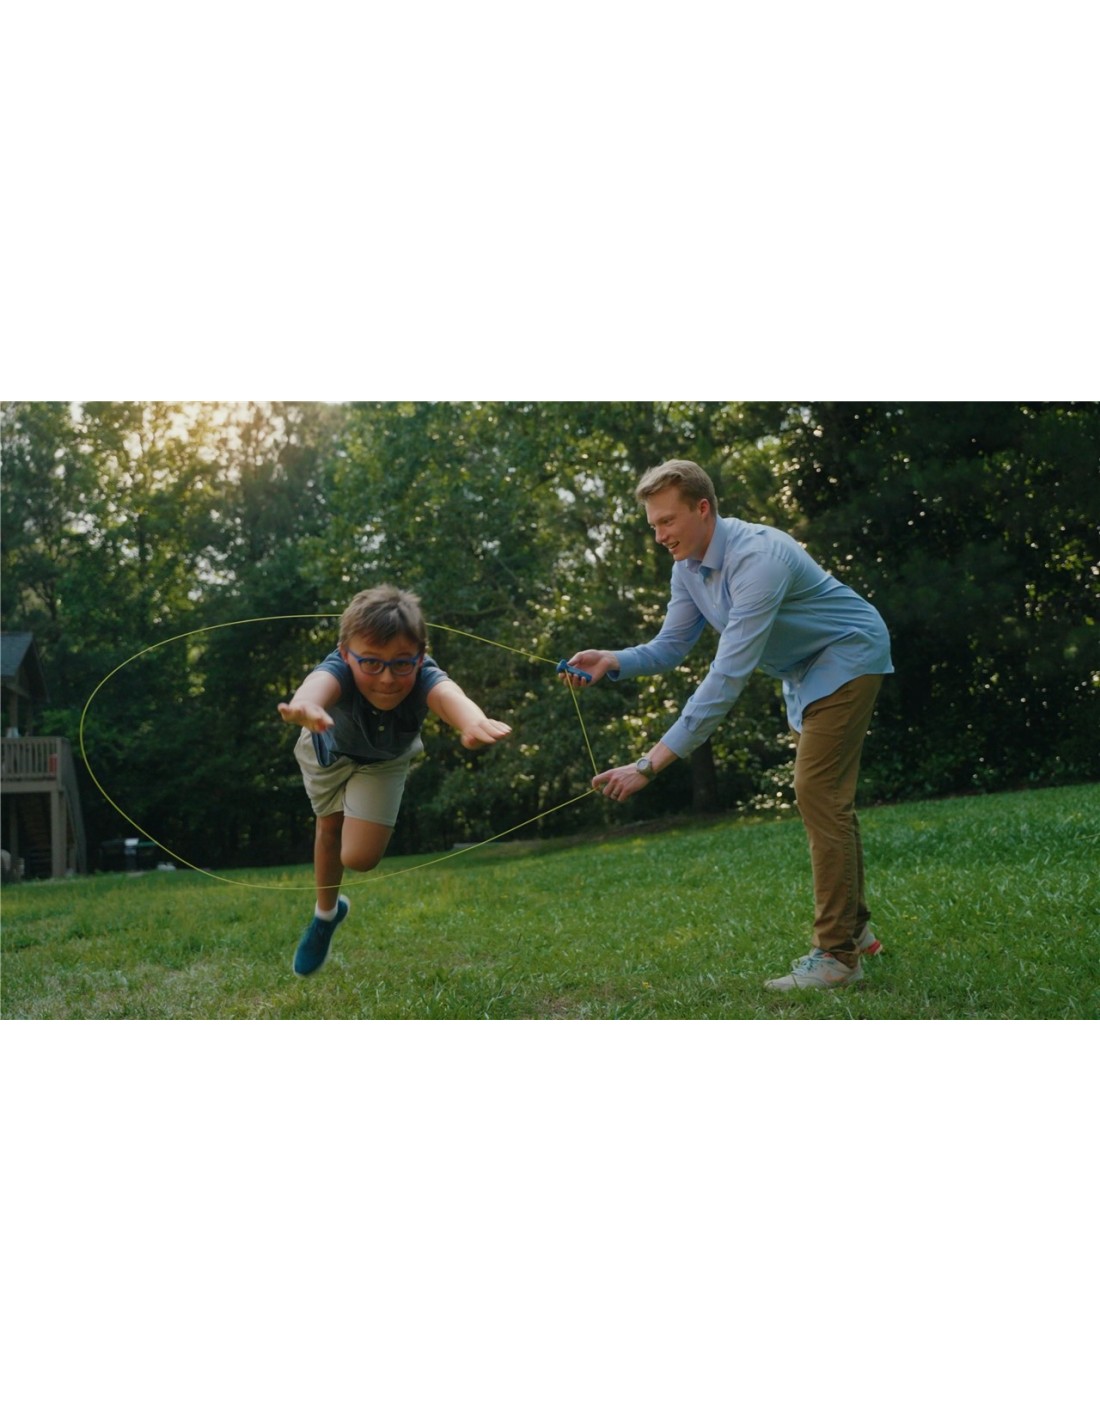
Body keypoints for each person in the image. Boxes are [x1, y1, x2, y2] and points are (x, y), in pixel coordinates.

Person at [562, 460, 893, 991]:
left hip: (847, 654)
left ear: (703, 508)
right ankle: (853, 930)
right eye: (653, 525)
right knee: (825, 797)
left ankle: (836, 955)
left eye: (667, 521)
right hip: (802, 672)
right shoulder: (688, 567)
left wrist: (649, 764)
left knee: (817, 792)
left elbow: (727, 678)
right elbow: (671, 646)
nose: (659, 535)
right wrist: (613, 659)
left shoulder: (757, 559)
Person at [278, 585, 511, 976]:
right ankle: (324, 916)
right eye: (371, 663)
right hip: (326, 752)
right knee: (329, 829)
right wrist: (306, 706)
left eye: (402, 664)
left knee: (359, 859)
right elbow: (317, 686)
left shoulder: (422, 673)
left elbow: (447, 694)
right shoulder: (338, 667)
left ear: (420, 655)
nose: (386, 678)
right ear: (345, 653)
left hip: (384, 762)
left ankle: (331, 909)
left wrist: (472, 720)